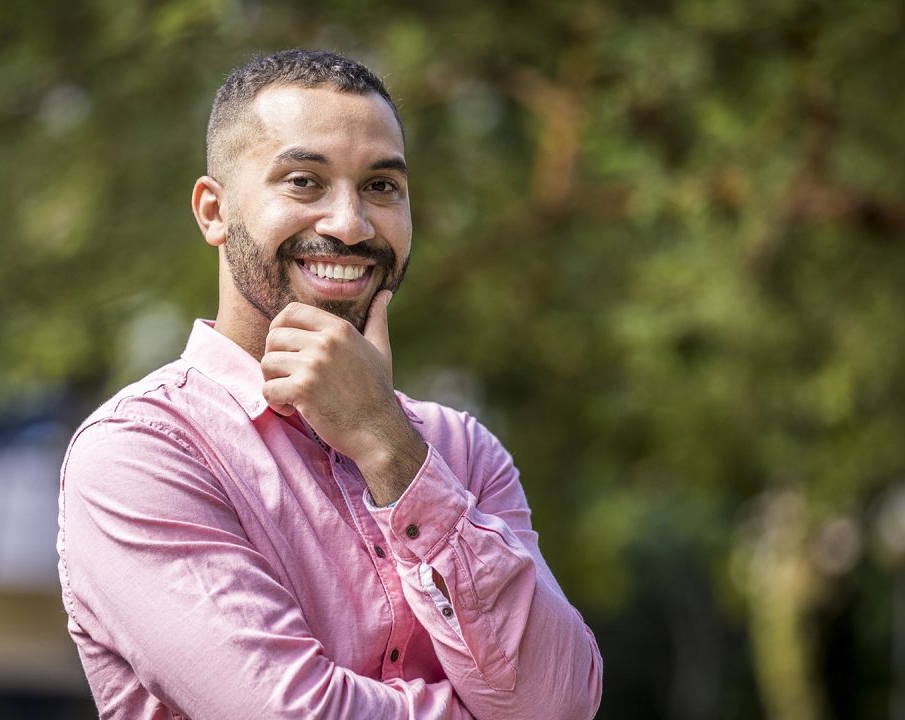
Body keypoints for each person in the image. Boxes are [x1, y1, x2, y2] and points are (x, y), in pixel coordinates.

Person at [57, 49, 603, 719]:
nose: (350, 223)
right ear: (213, 211)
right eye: (303, 181)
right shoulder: (143, 454)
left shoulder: (463, 453)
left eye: (381, 187)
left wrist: (390, 450)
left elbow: (560, 705)